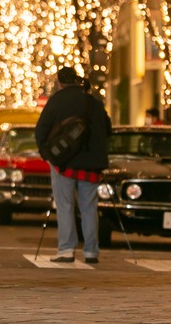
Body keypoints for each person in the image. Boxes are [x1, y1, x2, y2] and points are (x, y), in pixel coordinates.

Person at [35, 66, 112, 264]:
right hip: (91, 164)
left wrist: (46, 154)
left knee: (65, 206)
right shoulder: (93, 102)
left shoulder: (57, 101)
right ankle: (91, 251)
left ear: (60, 82)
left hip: (64, 162)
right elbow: (107, 129)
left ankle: (67, 249)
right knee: (89, 207)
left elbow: (41, 129)